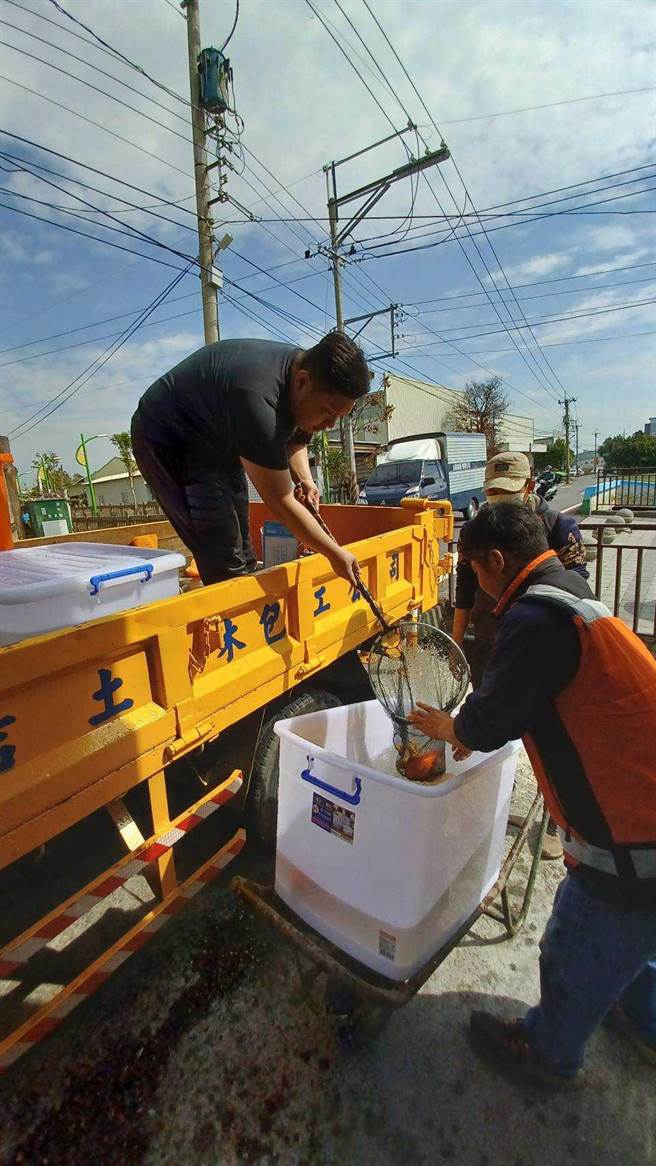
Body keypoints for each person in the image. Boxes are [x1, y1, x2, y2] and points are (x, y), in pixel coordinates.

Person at [409, 503, 656, 1087]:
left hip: (631, 825)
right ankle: (643, 1018)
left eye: (474, 569)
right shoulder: (569, 588)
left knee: (573, 944)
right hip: (645, 793)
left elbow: (490, 719)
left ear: (496, 560)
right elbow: (529, 699)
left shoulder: (534, 616)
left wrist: (451, 730)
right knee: (639, 931)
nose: (477, 583)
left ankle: (545, 1053)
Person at [131, 333, 370, 586]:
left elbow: (297, 438)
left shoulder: (307, 376)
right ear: (302, 382)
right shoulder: (258, 398)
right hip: (169, 438)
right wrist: (334, 553)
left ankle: (242, 600)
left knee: (242, 550)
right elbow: (281, 501)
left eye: (338, 418)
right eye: (327, 413)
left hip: (219, 438)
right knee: (221, 552)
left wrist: (306, 480)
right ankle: (229, 611)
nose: (329, 424)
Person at [454, 451, 588, 860]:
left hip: (539, 642)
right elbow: (464, 590)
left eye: (508, 493)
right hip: (495, 634)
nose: (499, 501)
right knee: (491, 713)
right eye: (492, 493)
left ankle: (554, 819)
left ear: (529, 488)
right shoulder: (478, 532)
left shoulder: (557, 528)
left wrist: (454, 729)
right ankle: (495, 790)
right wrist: (457, 642)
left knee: (548, 731)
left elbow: (571, 587)